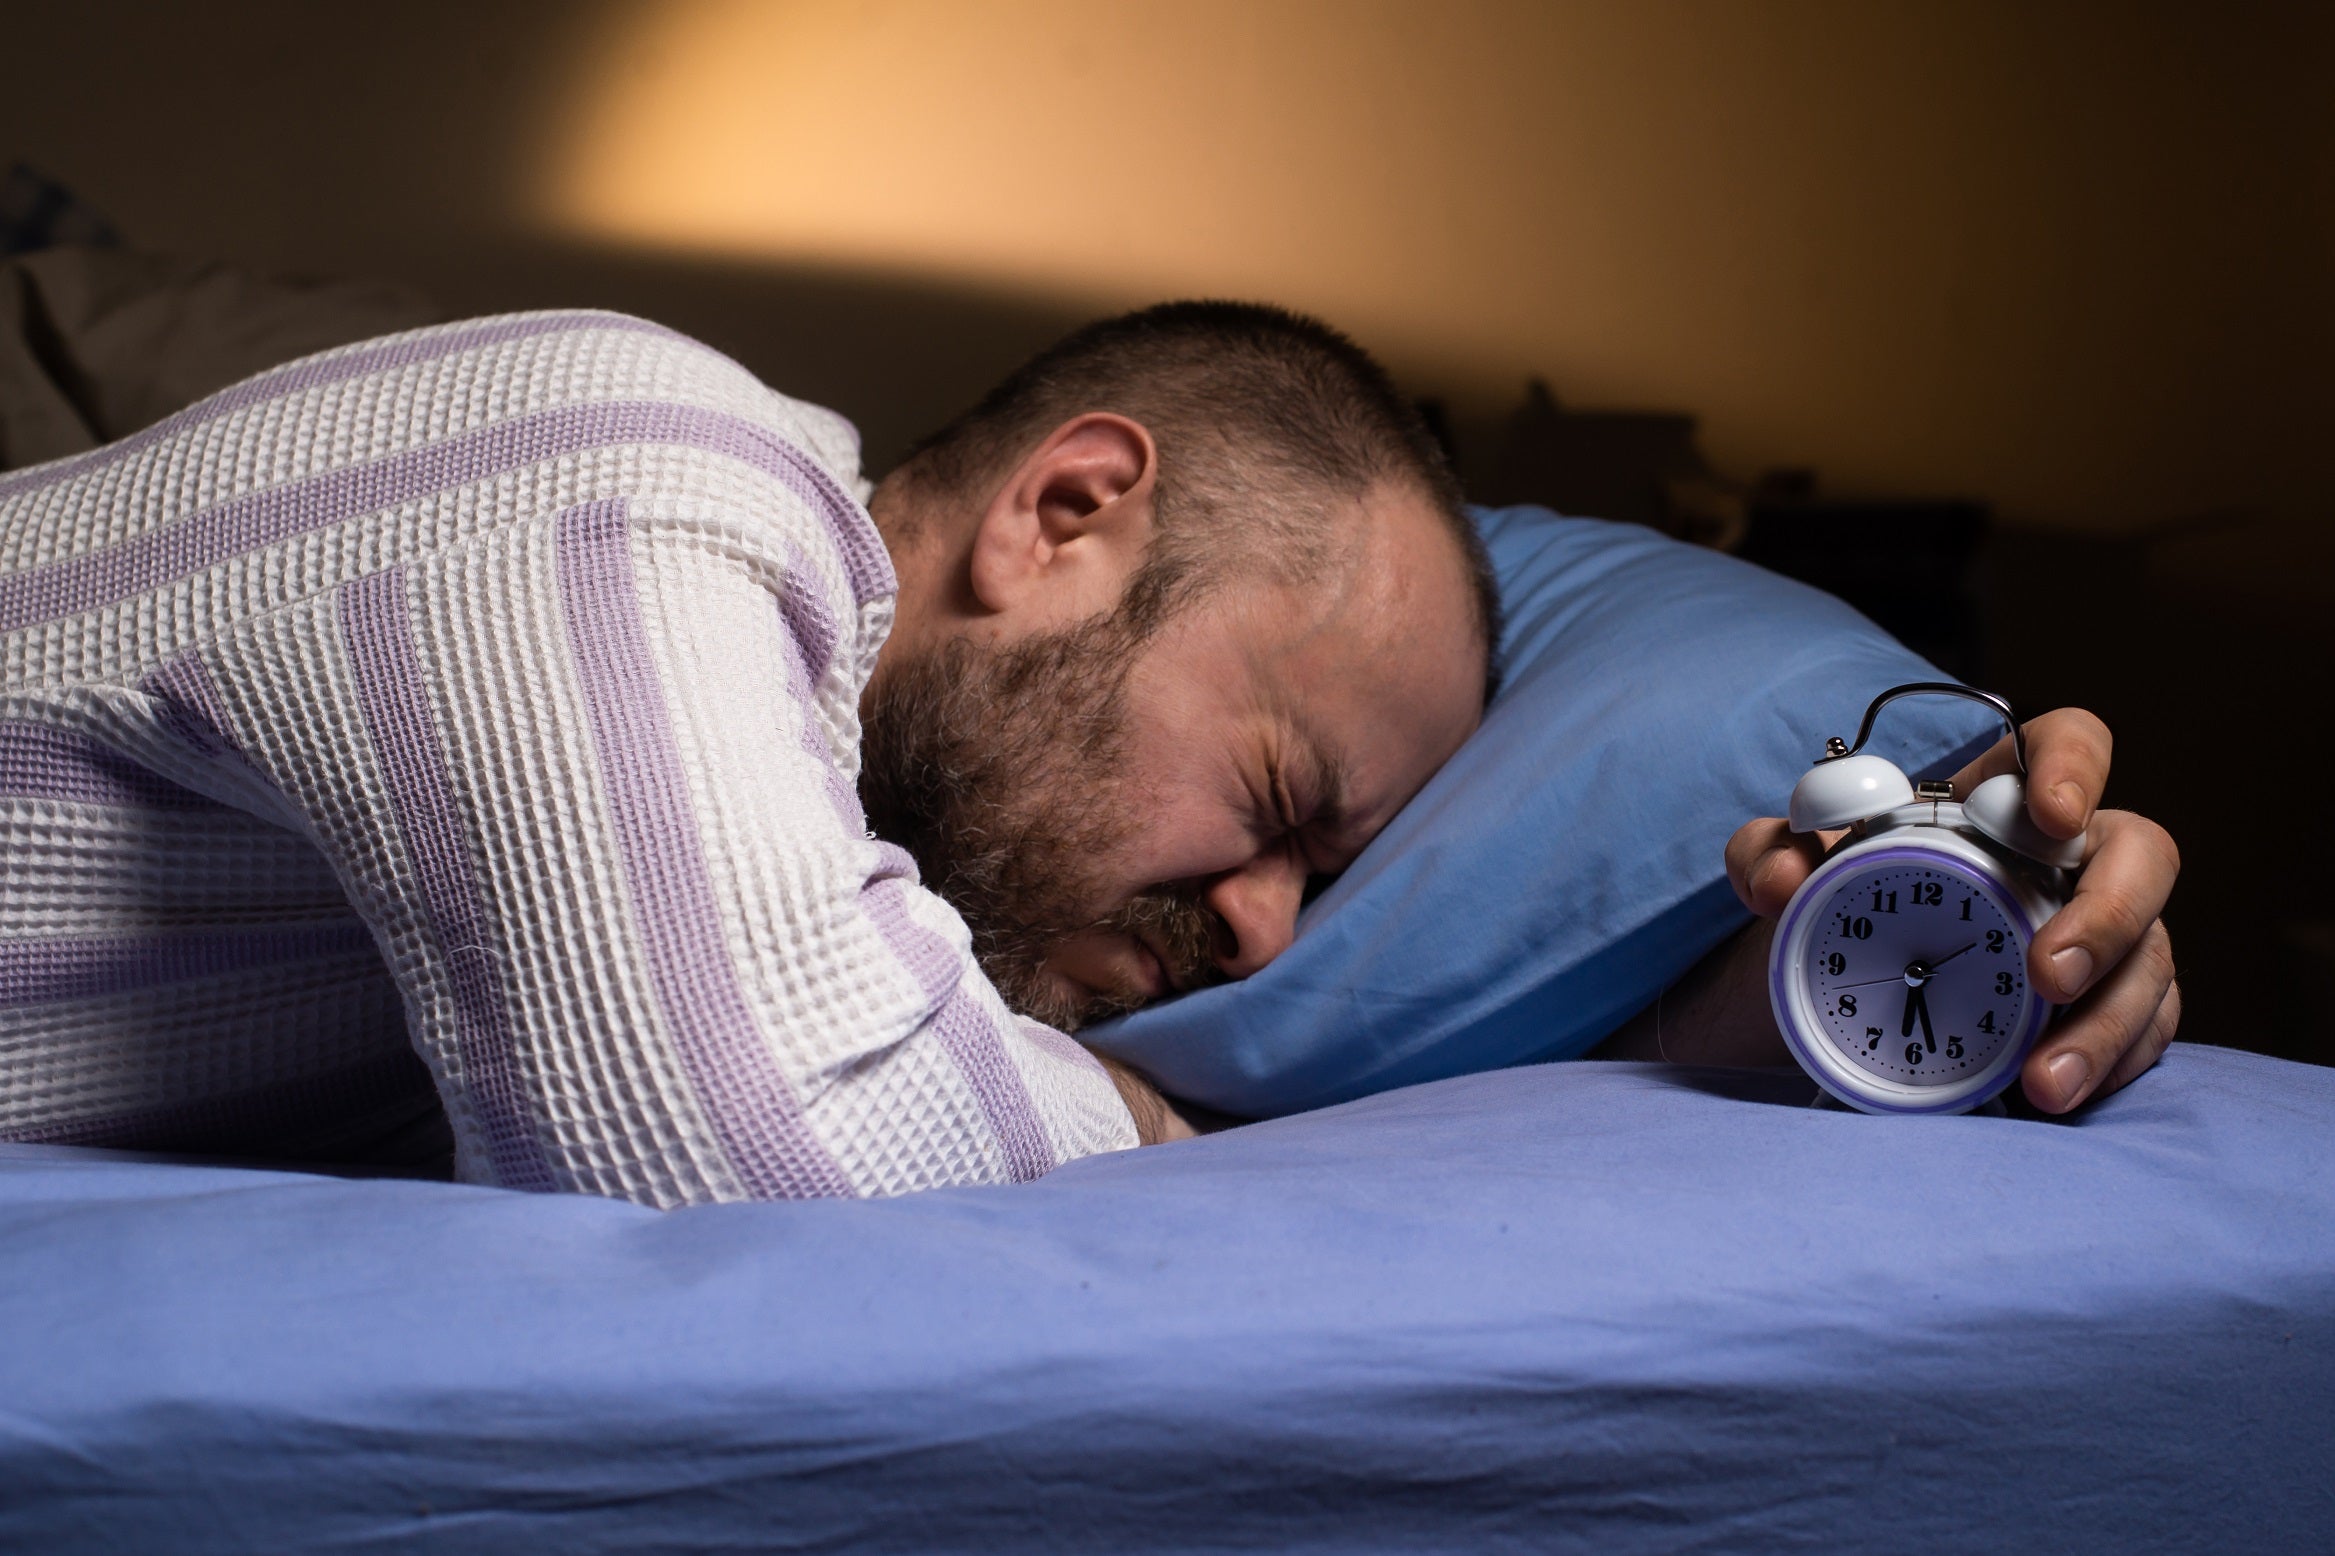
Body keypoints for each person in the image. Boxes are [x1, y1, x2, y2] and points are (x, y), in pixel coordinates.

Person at [0, 297, 2179, 1202]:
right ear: (1064, 518)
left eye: (1316, 893)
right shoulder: (626, 459)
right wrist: (1169, 1106)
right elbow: (754, 1138)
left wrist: (1797, 993)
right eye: (1277, 803)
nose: (1254, 934)